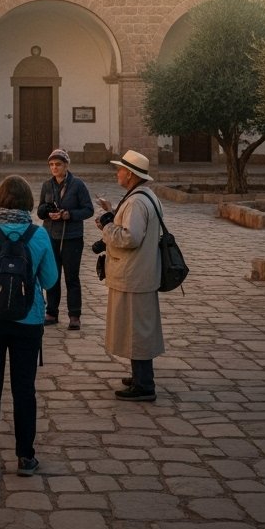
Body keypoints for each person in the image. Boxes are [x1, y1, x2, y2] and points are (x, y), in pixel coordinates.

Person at [0, 175, 58, 478]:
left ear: (0, 199)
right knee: (24, 388)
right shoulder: (38, 235)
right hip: (28, 321)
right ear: (28, 202)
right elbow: (50, 280)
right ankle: (26, 457)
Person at [94, 150, 165, 402]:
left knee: (137, 330)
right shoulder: (145, 196)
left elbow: (130, 237)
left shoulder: (136, 202)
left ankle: (144, 384)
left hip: (134, 274)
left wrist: (106, 226)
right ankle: (139, 376)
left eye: (121, 170)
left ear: (131, 175)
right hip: (140, 272)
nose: (118, 173)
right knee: (136, 327)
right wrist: (112, 211)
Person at [36, 148, 94, 329]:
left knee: (72, 277)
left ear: (66, 165)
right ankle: (51, 312)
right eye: (51, 165)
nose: (54, 168)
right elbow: (40, 210)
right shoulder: (47, 185)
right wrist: (48, 212)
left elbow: (88, 209)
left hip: (72, 237)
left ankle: (74, 315)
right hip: (51, 236)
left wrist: (69, 214)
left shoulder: (77, 185)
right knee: (52, 275)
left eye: (58, 164)